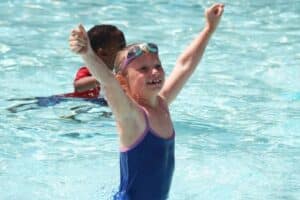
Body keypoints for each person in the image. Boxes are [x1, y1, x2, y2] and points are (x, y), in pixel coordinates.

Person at [69, 3, 224, 199]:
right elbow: (108, 82)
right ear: (123, 81)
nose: (154, 72)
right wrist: (87, 54)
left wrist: (209, 29)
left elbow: (185, 65)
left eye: (157, 65)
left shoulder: (161, 103)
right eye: (143, 69)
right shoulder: (132, 117)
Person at [65, 24, 126, 98]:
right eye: (121, 47)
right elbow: (78, 86)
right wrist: (106, 78)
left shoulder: (118, 72)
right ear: (103, 53)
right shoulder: (88, 71)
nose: (125, 50)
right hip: (77, 101)